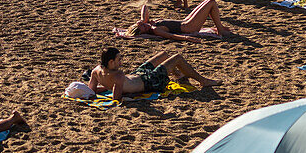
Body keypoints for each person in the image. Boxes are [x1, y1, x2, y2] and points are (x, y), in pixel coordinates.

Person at [88, 46, 218, 102]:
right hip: (151, 81)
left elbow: (91, 92)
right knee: (177, 57)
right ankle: (203, 81)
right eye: (118, 60)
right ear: (111, 62)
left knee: (164, 55)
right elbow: (116, 98)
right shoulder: (118, 76)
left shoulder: (96, 71)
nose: (121, 63)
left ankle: (178, 75)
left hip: (138, 74)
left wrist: (107, 88)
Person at [116, 0, 231, 40]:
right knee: (211, 3)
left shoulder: (149, 24)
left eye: (142, 25)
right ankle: (220, 29)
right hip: (189, 27)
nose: (145, 25)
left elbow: (145, 6)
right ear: (144, 32)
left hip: (185, 21)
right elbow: (172, 36)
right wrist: (188, 39)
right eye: (143, 27)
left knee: (208, 2)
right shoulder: (156, 30)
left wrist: (142, 19)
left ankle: (219, 28)